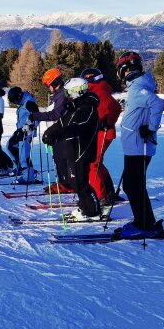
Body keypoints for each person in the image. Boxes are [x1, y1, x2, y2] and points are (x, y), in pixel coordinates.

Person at [115, 51, 164, 237]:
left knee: (132, 185)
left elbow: (158, 104)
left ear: (124, 70)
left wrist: (151, 128)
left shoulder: (138, 89)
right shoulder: (138, 86)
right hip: (135, 146)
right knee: (134, 184)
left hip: (139, 146)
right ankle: (145, 222)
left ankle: (143, 224)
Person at [41, 78, 101, 221]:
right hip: (73, 149)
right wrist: (49, 132)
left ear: (77, 92)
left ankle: (92, 212)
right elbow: (62, 123)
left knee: (80, 182)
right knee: (76, 182)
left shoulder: (87, 108)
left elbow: (76, 128)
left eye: (68, 93)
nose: (67, 96)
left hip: (83, 149)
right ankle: (85, 207)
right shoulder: (75, 107)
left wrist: (56, 135)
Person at [81, 67, 124, 205]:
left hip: (102, 132)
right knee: (97, 163)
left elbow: (115, 107)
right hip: (102, 131)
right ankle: (109, 192)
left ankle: (101, 197)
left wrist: (107, 121)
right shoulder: (99, 89)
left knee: (92, 164)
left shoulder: (97, 90)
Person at [29, 68, 72, 194]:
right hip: (57, 132)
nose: (48, 88)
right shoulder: (59, 94)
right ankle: (63, 182)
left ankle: (67, 184)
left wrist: (36, 116)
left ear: (54, 82)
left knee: (62, 159)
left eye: (48, 85)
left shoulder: (62, 95)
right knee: (58, 159)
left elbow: (55, 114)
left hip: (62, 132)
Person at [6, 86, 40, 184]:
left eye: (15, 101)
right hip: (20, 130)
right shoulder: (23, 102)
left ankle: (28, 177)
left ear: (19, 96)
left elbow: (37, 117)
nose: (15, 103)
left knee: (24, 155)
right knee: (10, 146)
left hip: (27, 132)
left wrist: (28, 127)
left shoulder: (29, 103)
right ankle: (20, 168)